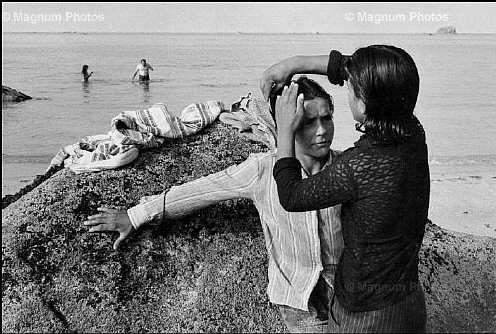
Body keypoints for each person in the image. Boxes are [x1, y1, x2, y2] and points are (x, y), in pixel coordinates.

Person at [84, 76, 345, 333]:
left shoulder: (348, 167)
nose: (322, 130)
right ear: (287, 125)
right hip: (300, 301)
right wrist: (135, 216)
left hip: (350, 297)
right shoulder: (263, 169)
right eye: (309, 122)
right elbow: (201, 191)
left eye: (327, 118)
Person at [267, 45, 429, 332]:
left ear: (363, 105)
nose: (347, 86)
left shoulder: (356, 166)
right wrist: (293, 64)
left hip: (363, 315)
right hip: (408, 302)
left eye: (351, 87)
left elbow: (291, 195)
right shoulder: (414, 133)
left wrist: (285, 130)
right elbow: (348, 67)